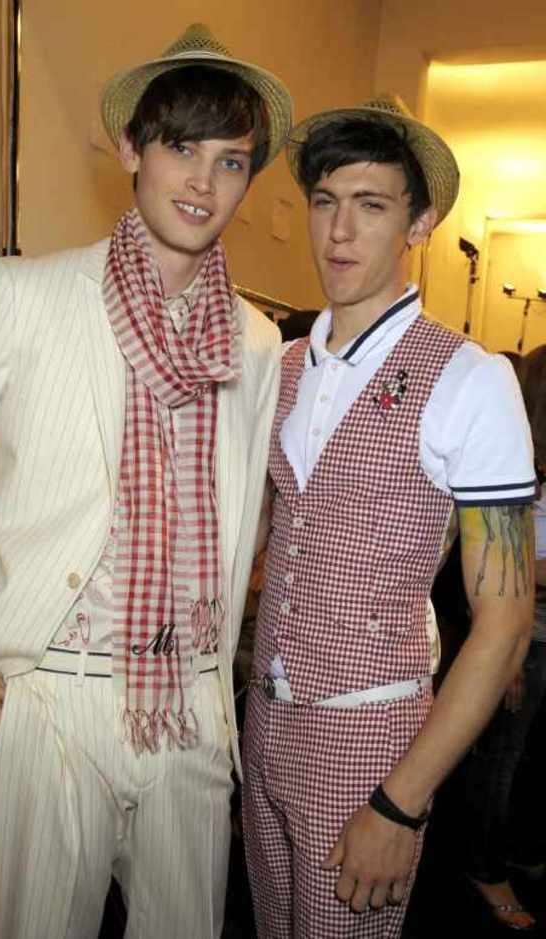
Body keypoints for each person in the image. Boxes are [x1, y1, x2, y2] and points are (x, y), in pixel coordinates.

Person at [0, 24, 291, 939]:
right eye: (181, 148)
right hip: (55, 696)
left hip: (193, 700)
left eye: (231, 161)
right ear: (132, 148)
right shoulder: (27, 297)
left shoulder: (255, 342)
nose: (203, 182)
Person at [242, 96, 536, 939]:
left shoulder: (471, 379)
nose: (340, 232)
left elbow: (507, 622)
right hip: (264, 722)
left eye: (370, 205)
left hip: (370, 733)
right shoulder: (283, 364)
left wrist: (401, 802)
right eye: (325, 201)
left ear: (419, 222)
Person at [462, 343, 546, 931]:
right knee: (499, 762)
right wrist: (506, 657)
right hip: (521, 638)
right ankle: (484, 866)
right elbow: (492, 571)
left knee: (522, 760)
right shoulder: (514, 463)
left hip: (533, 635)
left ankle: (513, 848)